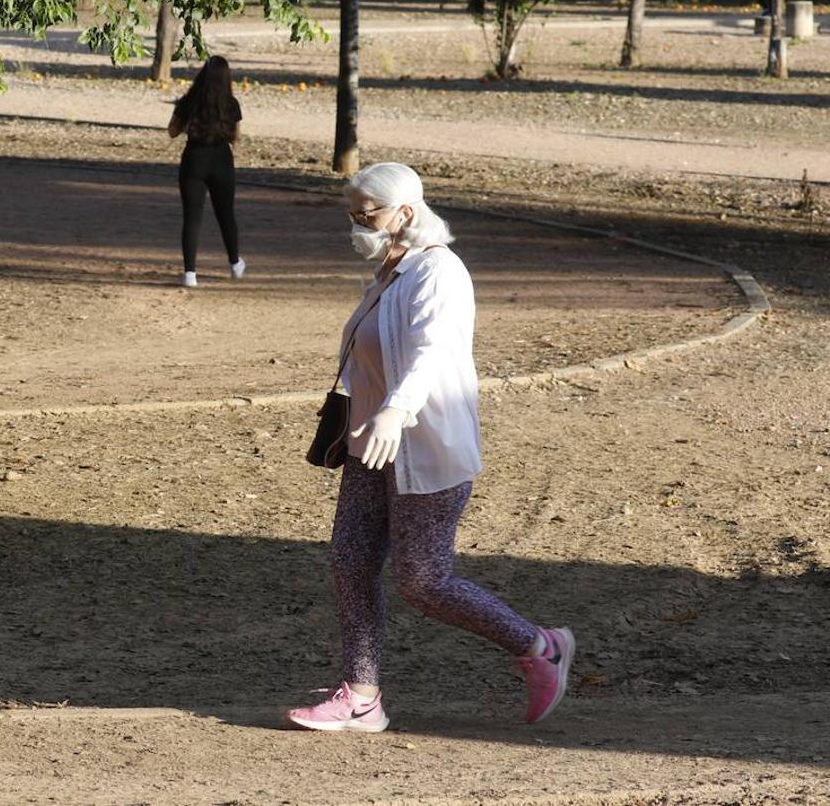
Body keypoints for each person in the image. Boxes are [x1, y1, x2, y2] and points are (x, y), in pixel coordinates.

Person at [287, 163, 574, 733]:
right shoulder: (390, 272)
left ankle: (541, 647)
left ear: (405, 213)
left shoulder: (439, 272)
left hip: (425, 445)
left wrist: (397, 410)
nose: (356, 225)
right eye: (352, 213)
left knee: (424, 580)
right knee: (350, 563)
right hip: (372, 443)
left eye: (365, 214)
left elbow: (432, 352)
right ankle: (362, 697)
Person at [167, 56, 245, 288]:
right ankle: (234, 264)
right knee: (226, 214)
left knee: (192, 218)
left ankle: (190, 273)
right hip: (221, 160)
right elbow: (236, 138)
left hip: (193, 160)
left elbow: (172, 131)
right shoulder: (231, 104)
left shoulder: (189, 101)